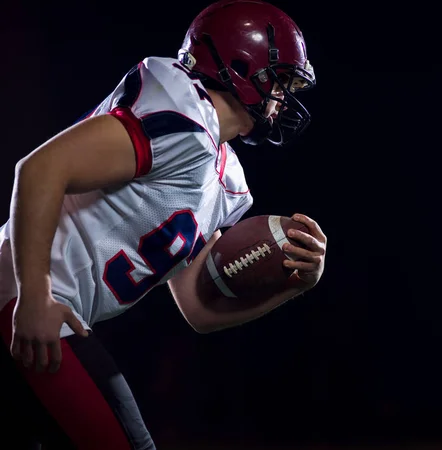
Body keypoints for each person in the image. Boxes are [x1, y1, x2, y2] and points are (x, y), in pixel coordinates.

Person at [0, 0, 327, 449]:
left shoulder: (227, 182)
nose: (282, 98)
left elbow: (198, 309)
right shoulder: (181, 114)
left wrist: (294, 284)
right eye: (282, 81)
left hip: (48, 314)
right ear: (241, 66)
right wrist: (34, 296)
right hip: (22, 303)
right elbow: (38, 170)